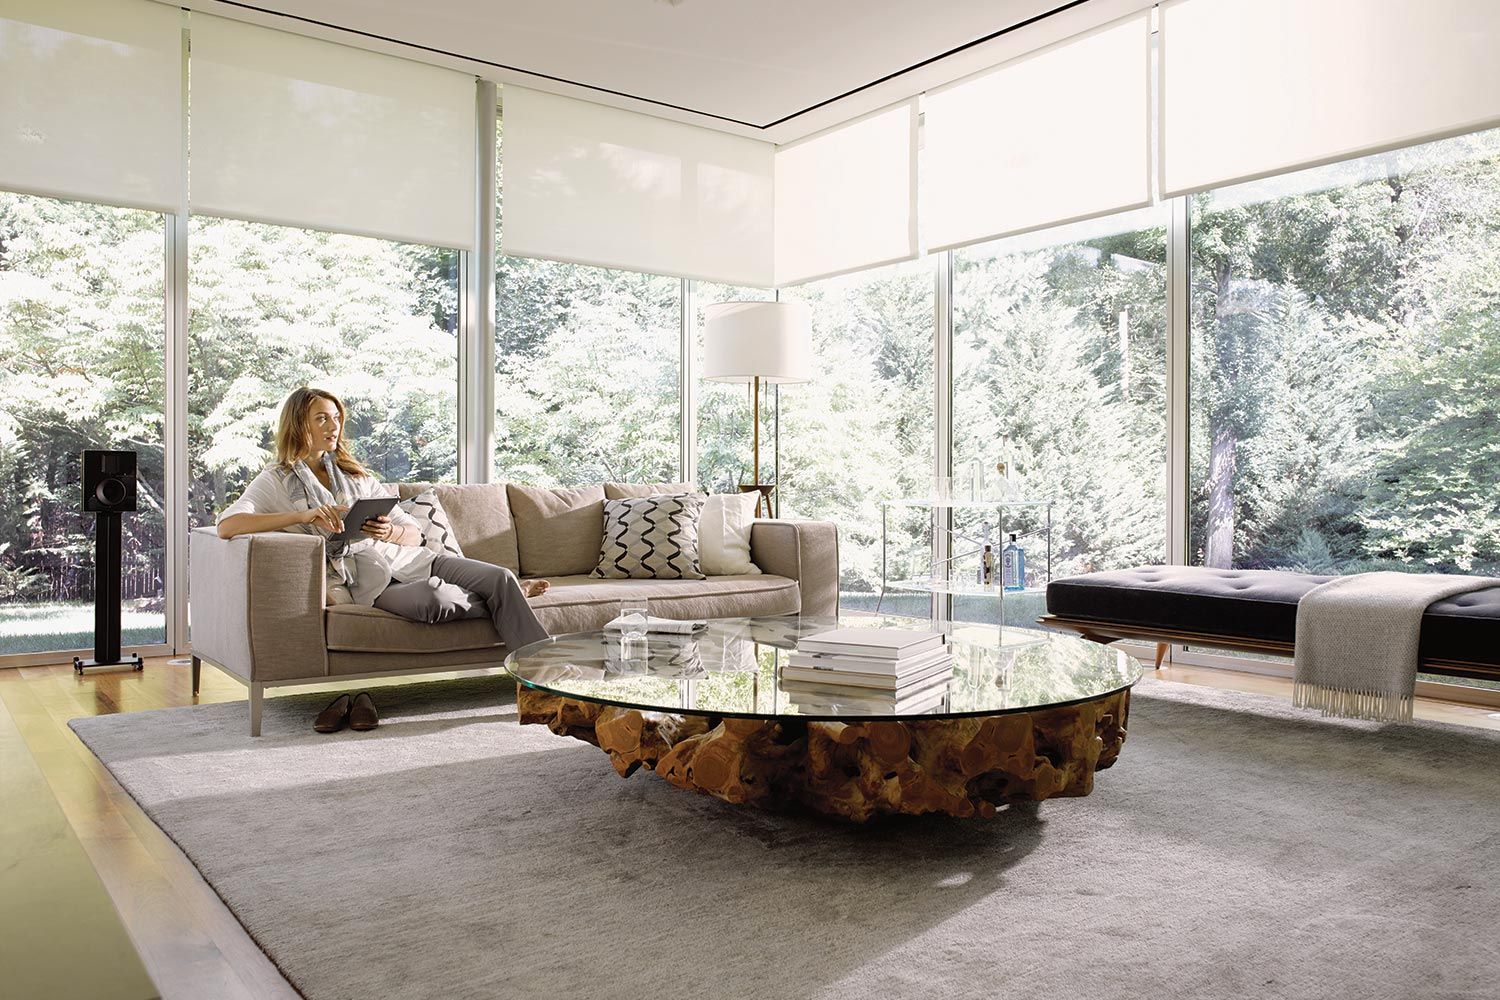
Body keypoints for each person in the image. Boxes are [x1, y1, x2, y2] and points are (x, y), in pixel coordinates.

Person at [216, 386, 550, 732]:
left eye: (336, 418)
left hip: (413, 560)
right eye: (321, 419)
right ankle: (509, 598)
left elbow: (415, 534)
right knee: (437, 600)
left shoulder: (357, 477)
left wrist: (388, 531)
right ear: (300, 424)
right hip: (368, 581)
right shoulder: (276, 481)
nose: (333, 426)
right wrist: (304, 516)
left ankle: (546, 680)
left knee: (499, 577)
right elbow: (229, 525)